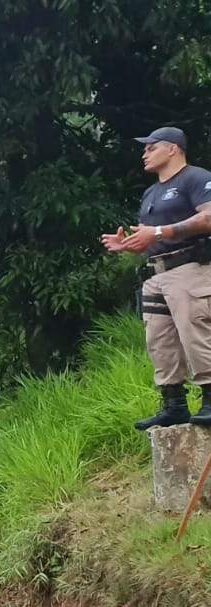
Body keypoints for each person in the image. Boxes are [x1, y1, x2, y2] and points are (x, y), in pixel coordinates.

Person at [101, 126, 211, 429]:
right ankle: (174, 405)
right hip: (156, 273)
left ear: (173, 148)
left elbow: (209, 217)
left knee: (196, 332)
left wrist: (160, 232)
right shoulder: (151, 193)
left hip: (190, 268)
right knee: (159, 340)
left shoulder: (196, 178)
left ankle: (210, 398)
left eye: (151, 147)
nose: (144, 153)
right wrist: (127, 245)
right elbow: (150, 239)